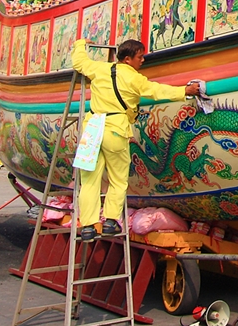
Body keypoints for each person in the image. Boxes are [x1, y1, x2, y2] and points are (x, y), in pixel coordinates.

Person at [70, 38, 202, 242]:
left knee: (89, 180)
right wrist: (184, 91)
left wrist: (80, 44)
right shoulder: (134, 79)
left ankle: (87, 225)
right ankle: (111, 220)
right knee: (118, 178)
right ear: (127, 59)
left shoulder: (99, 69)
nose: (143, 60)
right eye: (140, 57)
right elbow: (158, 91)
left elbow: (79, 62)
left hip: (93, 127)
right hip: (115, 129)